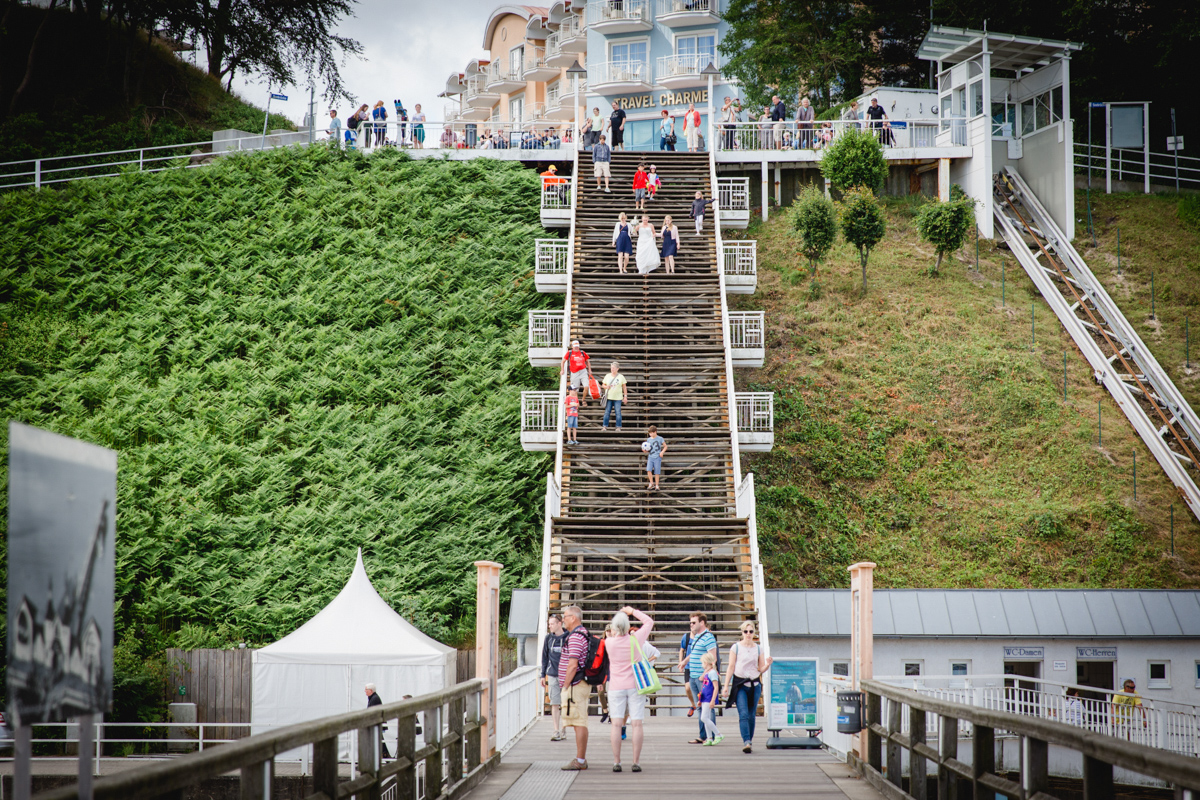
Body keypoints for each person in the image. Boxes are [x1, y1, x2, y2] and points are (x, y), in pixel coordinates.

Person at [604, 607, 654, 773]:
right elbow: (649, 622)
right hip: (635, 685)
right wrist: (632, 611)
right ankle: (636, 762)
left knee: (616, 725)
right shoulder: (636, 639)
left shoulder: (609, 642)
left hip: (616, 687)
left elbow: (611, 633)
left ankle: (616, 762)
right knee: (637, 724)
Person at [721, 620, 773, 753]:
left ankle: (749, 739)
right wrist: (726, 686)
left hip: (754, 684)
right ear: (742, 632)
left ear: (754, 633)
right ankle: (746, 741)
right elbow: (731, 667)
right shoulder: (736, 647)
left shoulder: (758, 648)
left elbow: (760, 668)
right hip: (740, 684)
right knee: (743, 713)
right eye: (746, 631)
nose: (748, 634)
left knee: (751, 715)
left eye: (750, 631)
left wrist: (767, 665)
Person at [558, 604, 591, 770]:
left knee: (579, 722)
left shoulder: (576, 637)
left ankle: (580, 760)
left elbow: (572, 664)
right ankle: (581, 758)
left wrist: (565, 685)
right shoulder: (581, 634)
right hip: (578, 684)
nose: (563, 619)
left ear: (573, 618)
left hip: (575, 685)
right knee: (579, 721)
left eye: (565, 616)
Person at [682, 612, 717, 743]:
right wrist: (685, 662)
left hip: (703, 677)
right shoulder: (697, 636)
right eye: (690, 622)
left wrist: (704, 674)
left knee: (707, 707)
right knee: (699, 706)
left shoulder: (708, 637)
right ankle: (703, 736)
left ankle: (712, 736)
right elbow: (694, 652)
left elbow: (712, 658)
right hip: (693, 675)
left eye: (694, 622)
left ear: (702, 623)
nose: (691, 625)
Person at [541, 614, 569, 741]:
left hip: (566, 674)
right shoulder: (548, 638)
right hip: (552, 673)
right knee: (555, 703)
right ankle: (556, 729)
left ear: (559, 624)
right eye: (549, 624)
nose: (550, 626)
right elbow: (544, 657)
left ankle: (564, 728)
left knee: (565, 703)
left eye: (552, 624)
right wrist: (543, 674)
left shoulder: (568, 637)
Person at [698, 652, 723, 745]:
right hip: (704, 698)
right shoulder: (707, 673)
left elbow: (715, 687)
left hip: (709, 698)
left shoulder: (712, 673)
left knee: (704, 718)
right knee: (706, 718)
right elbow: (701, 679)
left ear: (707, 663)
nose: (702, 665)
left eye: (703, 663)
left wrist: (713, 700)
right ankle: (709, 738)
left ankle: (718, 733)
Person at [560, 340, 593, 405]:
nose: (576, 347)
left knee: (586, 386)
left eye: (577, 346)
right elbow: (563, 361)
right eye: (575, 346)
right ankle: (576, 402)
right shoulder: (569, 353)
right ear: (572, 346)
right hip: (574, 372)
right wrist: (562, 370)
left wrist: (589, 370)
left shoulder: (582, 352)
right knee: (575, 389)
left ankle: (583, 399)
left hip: (583, 371)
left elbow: (587, 361)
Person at [365, 683, 391, 759]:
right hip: (376, 724)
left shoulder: (374, 699)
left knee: (376, 740)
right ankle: (385, 755)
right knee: (379, 740)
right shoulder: (373, 698)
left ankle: (384, 755)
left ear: (370, 690)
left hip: (375, 724)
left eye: (366, 690)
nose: (365, 691)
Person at [601, 361, 627, 432]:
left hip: (618, 398)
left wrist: (625, 396)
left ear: (617, 369)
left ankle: (618, 427)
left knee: (618, 412)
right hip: (609, 397)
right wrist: (606, 387)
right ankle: (604, 426)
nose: (612, 369)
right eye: (611, 368)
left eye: (613, 368)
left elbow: (624, 387)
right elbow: (603, 385)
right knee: (607, 412)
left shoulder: (621, 377)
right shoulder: (607, 376)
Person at [641, 423, 666, 491]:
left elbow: (665, 446)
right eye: (649, 433)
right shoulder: (648, 440)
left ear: (655, 432)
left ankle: (657, 485)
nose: (650, 435)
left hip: (657, 457)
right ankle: (651, 483)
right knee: (648, 470)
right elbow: (649, 448)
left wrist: (662, 452)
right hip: (651, 456)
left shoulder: (660, 438)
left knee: (657, 472)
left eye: (651, 433)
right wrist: (645, 451)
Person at [679, 630, 696, 717]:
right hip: (688, 666)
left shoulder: (702, 637)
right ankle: (693, 704)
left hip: (699, 666)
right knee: (687, 688)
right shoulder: (686, 637)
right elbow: (682, 650)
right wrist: (681, 662)